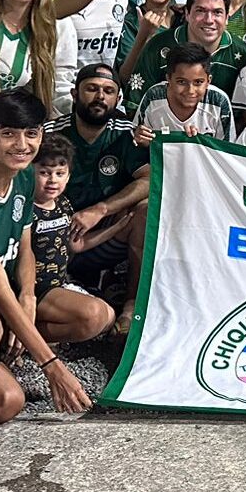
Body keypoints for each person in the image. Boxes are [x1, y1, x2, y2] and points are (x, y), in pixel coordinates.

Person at [0, 89, 91, 418]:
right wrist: (52, 367)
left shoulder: (26, 176)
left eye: (31, 134)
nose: (22, 144)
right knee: (4, 404)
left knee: (93, 317)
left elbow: (24, 245)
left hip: (7, 295)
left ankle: (14, 343)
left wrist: (28, 295)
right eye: (9, 134)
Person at [43, 65, 151, 333]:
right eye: (92, 89)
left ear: (118, 99)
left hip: (101, 235)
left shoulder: (127, 134)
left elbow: (149, 180)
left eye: (108, 91)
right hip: (52, 239)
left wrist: (101, 209)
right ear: (74, 93)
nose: (100, 97)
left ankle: (130, 305)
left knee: (146, 210)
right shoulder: (50, 133)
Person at [28, 134, 121, 345]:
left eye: (59, 173)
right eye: (44, 173)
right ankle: (20, 334)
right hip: (32, 290)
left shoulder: (63, 205)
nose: (52, 180)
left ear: (68, 176)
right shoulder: (25, 209)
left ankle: (32, 333)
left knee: (108, 317)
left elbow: (75, 244)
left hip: (58, 284)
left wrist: (117, 228)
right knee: (94, 317)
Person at [120, 0, 246, 110]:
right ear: (187, 14)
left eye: (217, 12)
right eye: (201, 11)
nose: (209, 20)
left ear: (227, 18)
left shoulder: (244, 54)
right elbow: (135, 106)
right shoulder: (158, 46)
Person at [134, 43, 236, 142]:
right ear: (168, 79)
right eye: (181, 82)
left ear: (208, 81)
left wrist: (198, 144)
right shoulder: (153, 97)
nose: (190, 91)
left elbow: (227, 151)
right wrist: (141, 140)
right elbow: (137, 137)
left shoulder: (218, 101)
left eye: (198, 82)